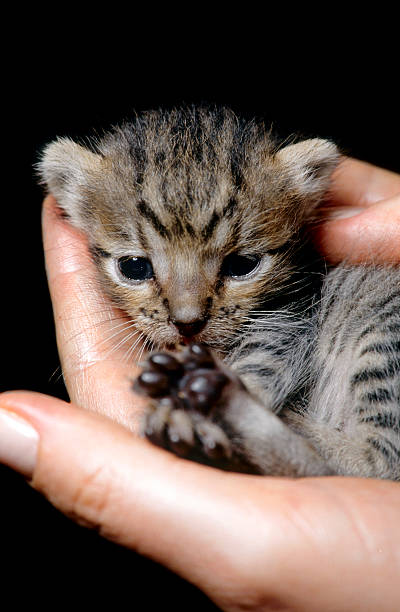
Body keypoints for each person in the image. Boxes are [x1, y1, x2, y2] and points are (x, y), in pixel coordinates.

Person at [0, 158, 399, 611]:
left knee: (384, 303)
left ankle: (352, 455)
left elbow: (276, 353)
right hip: (318, 449)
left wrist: (218, 404)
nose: (188, 313)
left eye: (242, 263)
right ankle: (261, 435)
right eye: (136, 267)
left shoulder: (288, 292)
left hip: (363, 392)